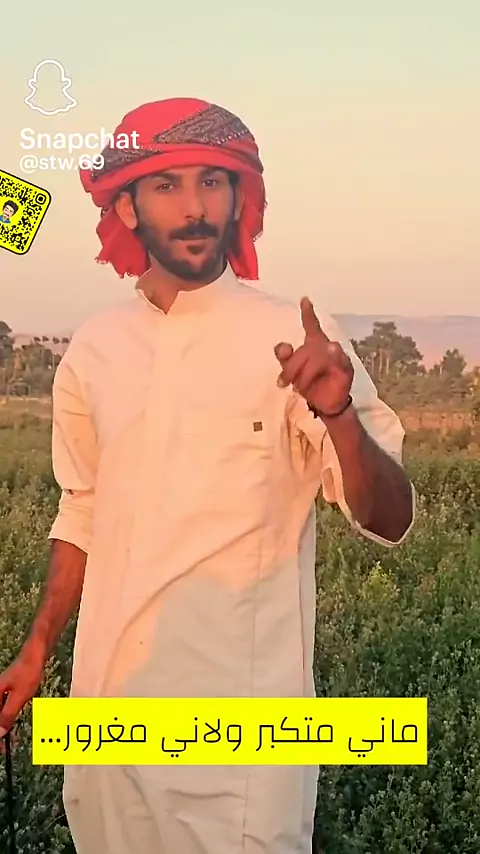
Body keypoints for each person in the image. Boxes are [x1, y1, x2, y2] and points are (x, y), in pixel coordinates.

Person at [0, 97, 415, 854]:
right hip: (109, 717)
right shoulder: (93, 349)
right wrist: (37, 650)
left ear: (237, 197)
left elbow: (390, 519)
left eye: (213, 182)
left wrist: (339, 416)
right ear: (128, 205)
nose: (194, 208)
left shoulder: (293, 336)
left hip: (241, 738)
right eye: (167, 185)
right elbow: (83, 510)